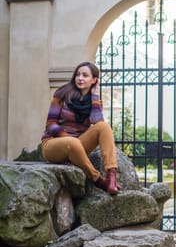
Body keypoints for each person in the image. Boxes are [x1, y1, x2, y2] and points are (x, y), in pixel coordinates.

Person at [41, 61, 119, 195]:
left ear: (94, 80)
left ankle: (111, 176)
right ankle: (98, 180)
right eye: (78, 75)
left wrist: (95, 97)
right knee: (73, 142)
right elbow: (50, 124)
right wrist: (67, 138)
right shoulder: (62, 93)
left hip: (77, 147)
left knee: (104, 127)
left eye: (85, 75)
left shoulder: (94, 101)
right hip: (54, 144)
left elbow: (97, 121)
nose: (80, 78)